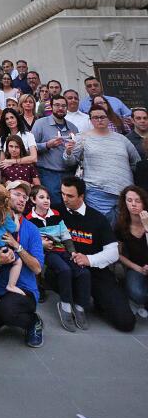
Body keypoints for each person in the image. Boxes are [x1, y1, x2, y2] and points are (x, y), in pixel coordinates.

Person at [0, 179, 44, 348]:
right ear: (5, 196)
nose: (22, 199)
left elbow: (37, 268)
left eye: (25, 196)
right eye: (17, 194)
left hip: (23, 291)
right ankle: (3, 316)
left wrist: (17, 246)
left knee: (8, 309)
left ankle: (33, 321)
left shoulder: (31, 229)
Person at [59, 175, 135, 332]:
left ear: (82, 196)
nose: (65, 199)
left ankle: (98, 301)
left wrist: (89, 259)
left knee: (126, 322)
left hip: (96, 272)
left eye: (70, 196)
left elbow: (113, 252)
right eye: (62, 194)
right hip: (66, 271)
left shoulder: (97, 219)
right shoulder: (55, 211)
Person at [25, 185, 89, 332]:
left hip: (62, 250)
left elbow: (66, 236)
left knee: (83, 272)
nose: (46, 200)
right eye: (41, 197)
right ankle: (65, 305)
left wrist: (72, 252)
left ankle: (79, 306)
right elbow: (28, 240)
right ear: (33, 200)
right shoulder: (29, 219)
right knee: (64, 270)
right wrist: (41, 244)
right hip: (47, 253)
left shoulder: (56, 214)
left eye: (47, 197)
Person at [63, 108, 140, 224]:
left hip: (124, 192)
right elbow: (70, 162)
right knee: (102, 228)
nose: (99, 120)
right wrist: (68, 152)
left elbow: (136, 162)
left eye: (102, 117)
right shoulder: (82, 137)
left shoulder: (122, 139)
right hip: (97, 192)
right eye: (95, 117)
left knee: (124, 230)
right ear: (90, 120)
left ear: (108, 118)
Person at [32, 95, 79, 206]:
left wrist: (70, 151)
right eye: (57, 105)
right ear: (51, 107)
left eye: (63, 106)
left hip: (69, 173)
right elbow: (30, 148)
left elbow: (77, 153)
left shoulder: (73, 128)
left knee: (69, 206)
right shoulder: (40, 124)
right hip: (48, 173)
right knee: (54, 205)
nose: (60, 108)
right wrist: (47, 145)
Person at [115, 185, 148, 319]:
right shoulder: (121, 225)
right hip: (137, 267)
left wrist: (147, 226)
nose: (133, 204)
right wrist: (138, 268)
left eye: (137, 200)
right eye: (129, 200)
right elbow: (118, 254)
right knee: (137, 293)